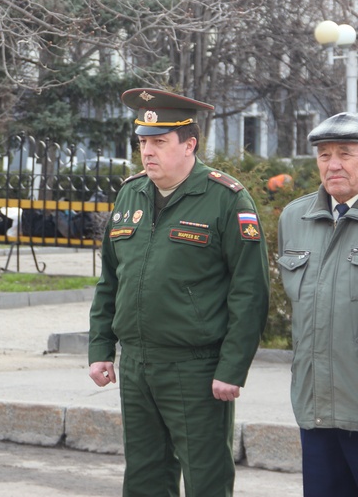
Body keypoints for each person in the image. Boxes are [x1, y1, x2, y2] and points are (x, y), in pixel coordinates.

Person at [87, 88, 269, 497]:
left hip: (196, 369)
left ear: (190, 144)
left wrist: (232, 368)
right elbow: (110, 281)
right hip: (136, 367)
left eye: (159, 142)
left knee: (207, 479)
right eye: (142, 142)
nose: (147, 152)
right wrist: (101, 348)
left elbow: (249, 291)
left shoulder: (226, 198)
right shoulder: (130, 193)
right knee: (144, 479)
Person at [277, 112, 358, 497]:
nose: (334, 164)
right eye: (325, 155)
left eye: (346, 153)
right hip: (317, 410)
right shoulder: (296, 218)